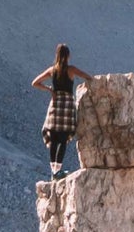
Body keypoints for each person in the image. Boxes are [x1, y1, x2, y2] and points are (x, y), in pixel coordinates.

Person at [31, 43, 91, 180]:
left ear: (56, 55)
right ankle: (58, 171)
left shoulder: (52, 70)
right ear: (68, 55)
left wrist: (49, 89)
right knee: (63, 139)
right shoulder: (71, 70)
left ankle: (54, 172)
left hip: (56, 104)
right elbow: (87, 77)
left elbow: (35, 82)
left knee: (54, 138)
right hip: (68, 105)